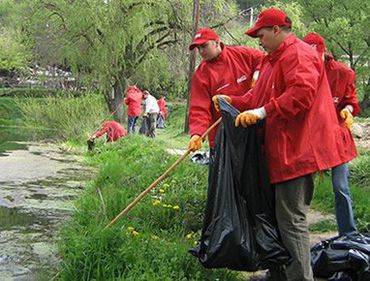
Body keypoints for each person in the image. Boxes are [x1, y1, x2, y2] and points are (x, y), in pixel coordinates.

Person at [213, 8, 347, 281]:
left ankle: (299, 277)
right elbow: (256, 96)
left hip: (299, 153)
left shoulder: (299, 54)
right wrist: (230, 101)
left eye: (260, 34)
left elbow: (301, 95)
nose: (258, 40)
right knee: (274, 219)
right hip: (280, 153)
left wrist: (262, 113)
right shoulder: (272, 60)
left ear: (276, 30)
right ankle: (278, 275)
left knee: (291, 220)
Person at [302, 32, 360, 236]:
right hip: (310, 139)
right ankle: (297, 232)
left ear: (324, 52)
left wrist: (348, 111)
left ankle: (349, 234)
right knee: (300, 189)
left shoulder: (343, 73)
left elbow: (351, 101)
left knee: (340, 187)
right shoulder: (301, 71)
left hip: (337, 138)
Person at [187, 27, 264, 152]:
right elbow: (199, 108)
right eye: (198, 48)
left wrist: (257, 75)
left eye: (204, 46)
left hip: (253, 128)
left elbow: (264, 60)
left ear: (217, 42)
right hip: (223, 137)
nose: (201, 51)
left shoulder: (242, 54)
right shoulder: (201, 75)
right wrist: (197, 133)